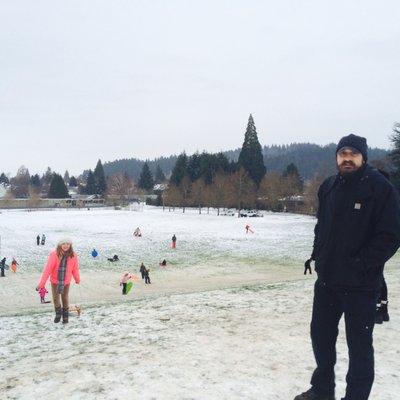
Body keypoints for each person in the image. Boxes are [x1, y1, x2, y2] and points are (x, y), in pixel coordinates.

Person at [294, 134, 400, 400]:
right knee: (321, 338)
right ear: (337, 157)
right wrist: (319, 253)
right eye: (343, 153)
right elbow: (322, 225)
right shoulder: (329, 186)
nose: (347, 158)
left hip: (361, 286)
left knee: (359, 348)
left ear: (363, 157)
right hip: (328, 281)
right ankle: (322, 390)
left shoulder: (380, 188)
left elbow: (391, 236)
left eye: (353, 153)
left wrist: (362, 265)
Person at [36, 238, 80, 324]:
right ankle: (58, 314)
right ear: (60, 245)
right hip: (55, 281)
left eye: (68, 244)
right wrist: (42, 284)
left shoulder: (73, 255)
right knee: (56, 298)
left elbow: (75, 269)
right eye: (63, 243)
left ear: (70, 245)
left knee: (65, 298)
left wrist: (77, 278)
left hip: (66, 281)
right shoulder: (54, 255)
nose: (65, 246)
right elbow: (48, 269)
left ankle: (65, 317)